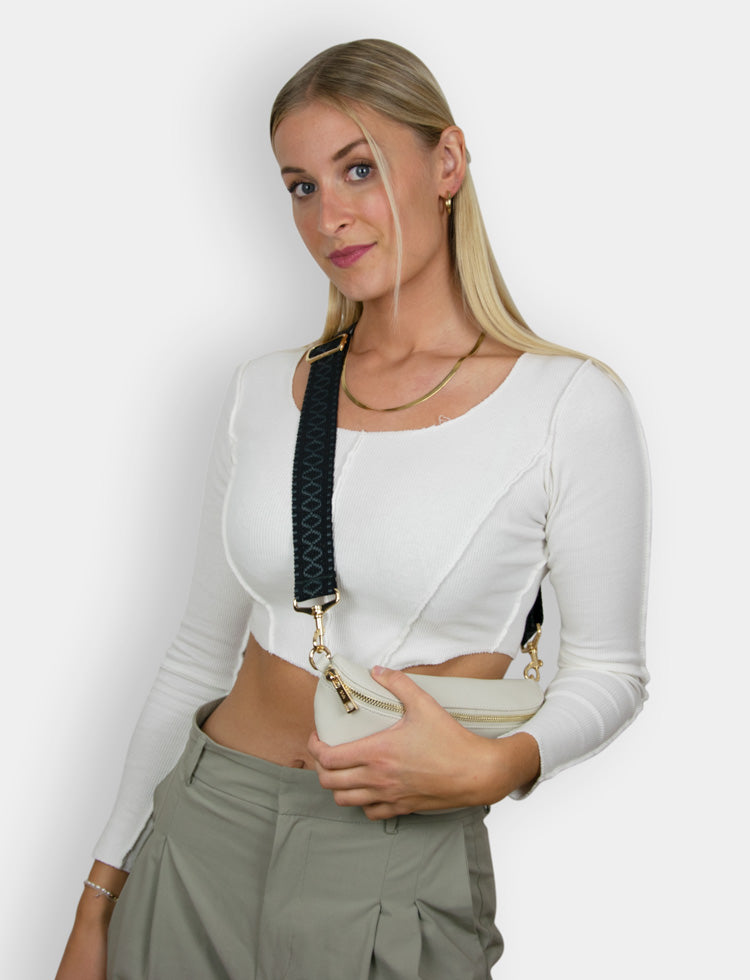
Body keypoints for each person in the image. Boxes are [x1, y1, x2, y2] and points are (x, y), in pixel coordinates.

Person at [56, 38, 650, 980]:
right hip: (201, 832)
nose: (329, 215)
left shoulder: (567, 406)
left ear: (446, 163)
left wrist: (502, 766)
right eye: (301, 186)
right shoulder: (265, 391)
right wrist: (98, 896)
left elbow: (610, 670)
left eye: (359, 169)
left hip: (391, 856)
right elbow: (196, 655)